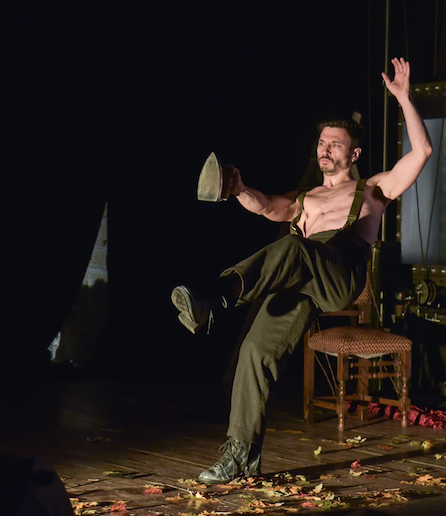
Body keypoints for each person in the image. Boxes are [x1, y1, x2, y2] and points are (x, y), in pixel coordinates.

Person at [171, 58, 432, 484]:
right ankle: (241, 455)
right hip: (302, 278)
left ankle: (215, 298)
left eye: (335, 144)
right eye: (322, 143)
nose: (325, 149)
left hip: (341, 271)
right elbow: (267, 207)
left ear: (353, 154)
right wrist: (239, 189)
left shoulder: (373, 188)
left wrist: (404, 98)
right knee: (255, 353)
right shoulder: (305, 197)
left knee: (293, 245)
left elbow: (421, 153)